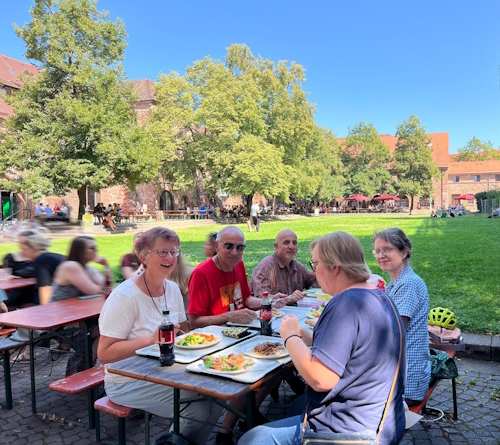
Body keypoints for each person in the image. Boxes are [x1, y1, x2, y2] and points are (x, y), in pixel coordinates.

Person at [239, 231, 406, 445]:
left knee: (251, 439)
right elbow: (354, 349)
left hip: (353, 432)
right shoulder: (376, 295)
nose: (313, 271)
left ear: (334, 267)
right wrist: (308, 336)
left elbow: (320, 379)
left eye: (315, 264)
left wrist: (290, 336)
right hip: (386, 419)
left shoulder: (345, 304)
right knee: (296, 406)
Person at [98, 227, 222, 445]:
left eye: (175, 252)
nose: (170, 258)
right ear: (144, 255)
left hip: (167, 370)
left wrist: (200, 346)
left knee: (219, 397)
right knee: (196, 407)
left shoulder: (172, 289)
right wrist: (150, 339)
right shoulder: (125, 296)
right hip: (127, 380)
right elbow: (105, 354)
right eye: (162, 252)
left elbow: (184, 332)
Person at [188, 226, 280, 444]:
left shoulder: (238, 266)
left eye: (240, 247)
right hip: (216, 341)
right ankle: (224, 432)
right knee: (257, 374)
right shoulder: (202, 273)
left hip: (242, 334)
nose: (235, 252)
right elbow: (194, 322)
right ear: (217, 246)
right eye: (228, 246)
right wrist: (229, 317)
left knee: (277, 366)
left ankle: (248, 414)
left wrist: (271, 300)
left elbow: (247, 300)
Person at [373, 228, 430, 407]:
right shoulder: (395, 282)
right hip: (400, 373)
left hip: (407, 383)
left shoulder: (408, 284)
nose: (381, 255)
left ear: (404, 252)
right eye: (377, 251)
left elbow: (391, 329)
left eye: (387, 249)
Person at [51, 236, 110, 374]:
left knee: (111, 331)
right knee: (111, 331)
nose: (96, 250)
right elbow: (95, 290)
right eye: (92, 248)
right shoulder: (71, 266)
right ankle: (82, 369)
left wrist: (106, 266)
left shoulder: (87, 268)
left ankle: (83, 368)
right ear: (81, 251)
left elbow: (105, 288)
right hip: (62, 324)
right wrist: (102, 285)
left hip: (80, 320)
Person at [250, 230, 317, 304]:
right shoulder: (267, 266)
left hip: (291, 312)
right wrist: (289, 299)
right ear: (276, 246)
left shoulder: (298, 266)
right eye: (286, 242)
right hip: (271, 313)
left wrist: (320, 267)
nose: (291, 246)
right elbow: (262, 298)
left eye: (294, 243)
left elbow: (317, 284)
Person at [2, 229, 36, 310]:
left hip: (34, 290)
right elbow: (4, 274)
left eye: (24, 243)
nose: (21, 245)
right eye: (19, 242)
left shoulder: (39, 257)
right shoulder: (10, 257)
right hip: (16, 291)